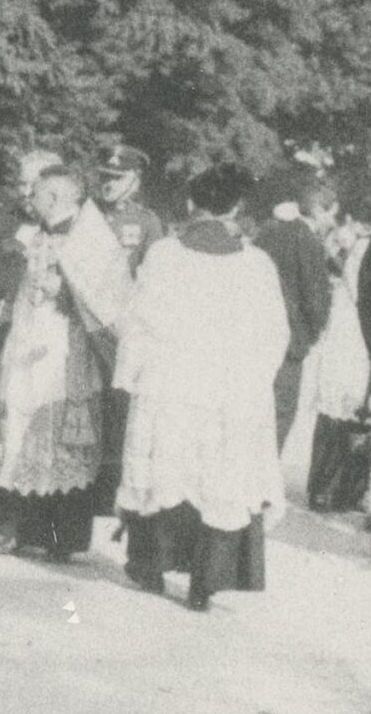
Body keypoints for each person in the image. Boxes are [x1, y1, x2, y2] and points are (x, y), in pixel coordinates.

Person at [116, 163, 287, 611]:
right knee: (220, 477)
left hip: (171, 384)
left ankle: (151, 566)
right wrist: (255, 383)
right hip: (228, 391)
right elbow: (274, 336)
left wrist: (130, 376)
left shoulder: (165, 256)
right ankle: (205, 583)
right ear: (236, 207)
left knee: (165, 470)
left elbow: (137, 321)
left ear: (192, 204)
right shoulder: (257, 265)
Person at [0, 167, 130, 559]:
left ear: (57, 197)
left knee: (61, 440)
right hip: (28, 344)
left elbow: (109, 299)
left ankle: (64, 540)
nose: (30, 198)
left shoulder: (93, 238)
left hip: (66, 353)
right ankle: (23, 531)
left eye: (37, 193)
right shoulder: (38, 230)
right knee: (20, 434)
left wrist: (66, 290)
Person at [305, 218, 371, 512]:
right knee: (339, 413)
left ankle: (349, 490)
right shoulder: (363, 251)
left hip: (364, 338)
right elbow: (360, 293)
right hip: (351, 336)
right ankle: (326, 488)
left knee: (362, 417)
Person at [251, 194, 332, 448]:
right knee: (282, 407)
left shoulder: (261, 234)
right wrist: (315, 328)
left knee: (253, 404)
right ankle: (265, 470)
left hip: (255, 334)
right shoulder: (306, 237)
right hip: (290, 337)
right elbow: (315, 290)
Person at [96, 144, 167, 274]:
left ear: (135, 182)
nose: (110, 184)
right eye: (105, 176)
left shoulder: (146, 221)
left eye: (118, 178)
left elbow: (156, 271)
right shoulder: (85, 212)